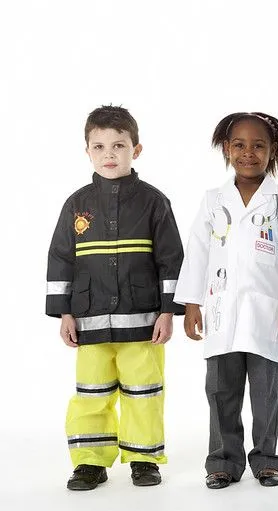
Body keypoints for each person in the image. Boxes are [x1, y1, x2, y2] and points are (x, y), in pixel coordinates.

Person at [46, 105, 184, 490]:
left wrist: (168, 312)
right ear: (87, 151)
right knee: (91, 392)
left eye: (118, 145)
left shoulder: (154, 202)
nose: (109, 154)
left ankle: (144, 457)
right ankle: (90, 460)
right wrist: (64, 314)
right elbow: (60, 260)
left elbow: (172, 259)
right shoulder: (76, 204)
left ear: (135, 150)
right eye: (100, 146)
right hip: (88, 321)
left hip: (142, 323)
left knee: (144, 390)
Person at [174, 112, 278, 489]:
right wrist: (192, 303)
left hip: (267, 312)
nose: (249, 153)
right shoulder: (214, 200)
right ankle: (223, 461)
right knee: (221, 392)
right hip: (220, 311)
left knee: (266, 394)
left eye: (258, 145)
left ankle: (267, 459)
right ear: (227, 149)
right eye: (240, 145)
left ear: (272, 150)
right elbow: (197, 252)